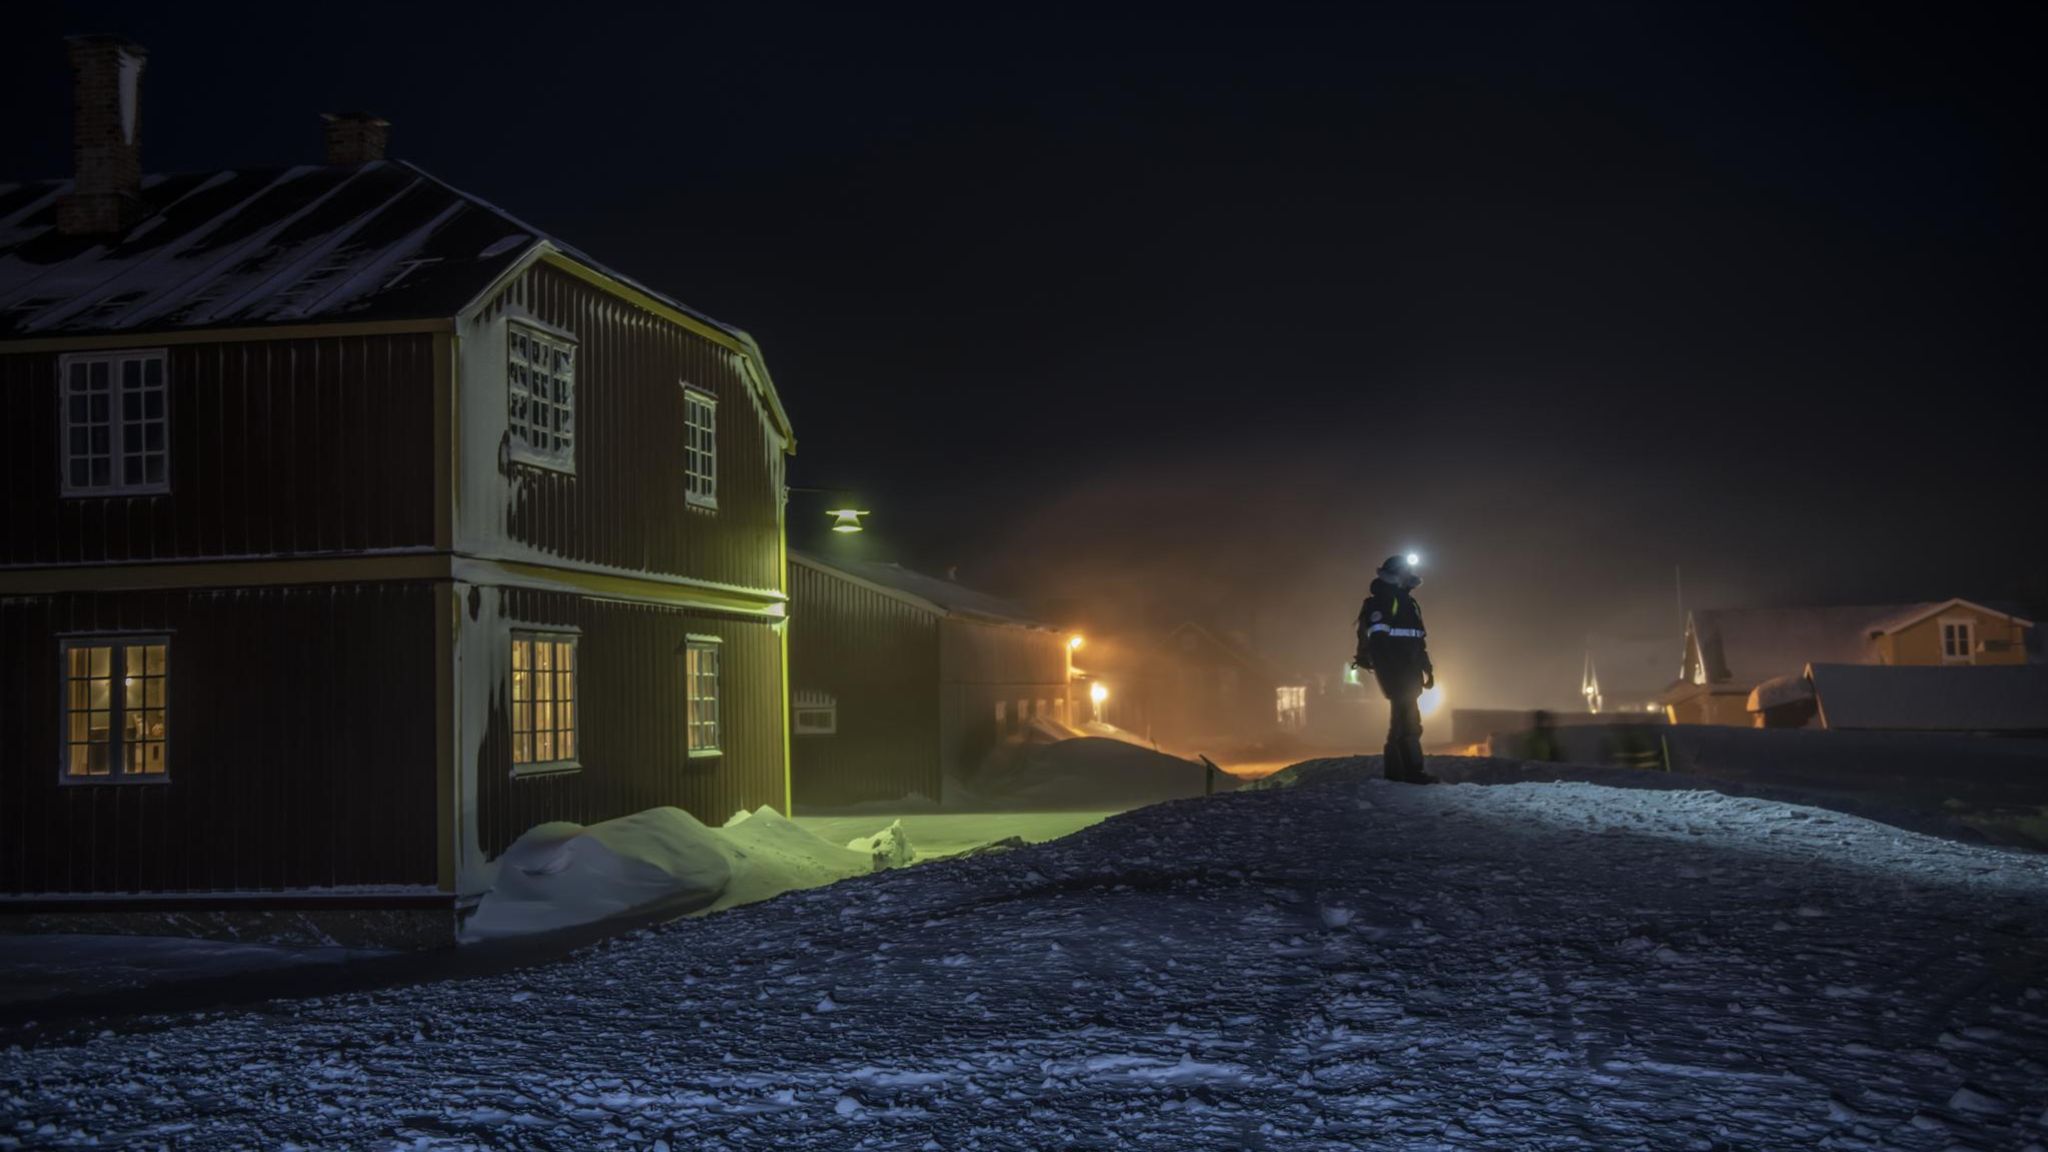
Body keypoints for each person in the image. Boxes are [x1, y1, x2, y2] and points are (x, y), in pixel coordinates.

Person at [1354, 554, 1437, 783]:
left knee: (1406, 720)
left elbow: (1418, 640)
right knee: (1405, 721)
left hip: (1409, 672)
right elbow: (1380, 642)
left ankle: (1403, 772)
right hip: (1397, 672)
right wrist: (1392, 673)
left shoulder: (1408, 602)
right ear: (1395, 575)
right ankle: (1408, 772)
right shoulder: (1384, 600)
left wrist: (1427, 669)